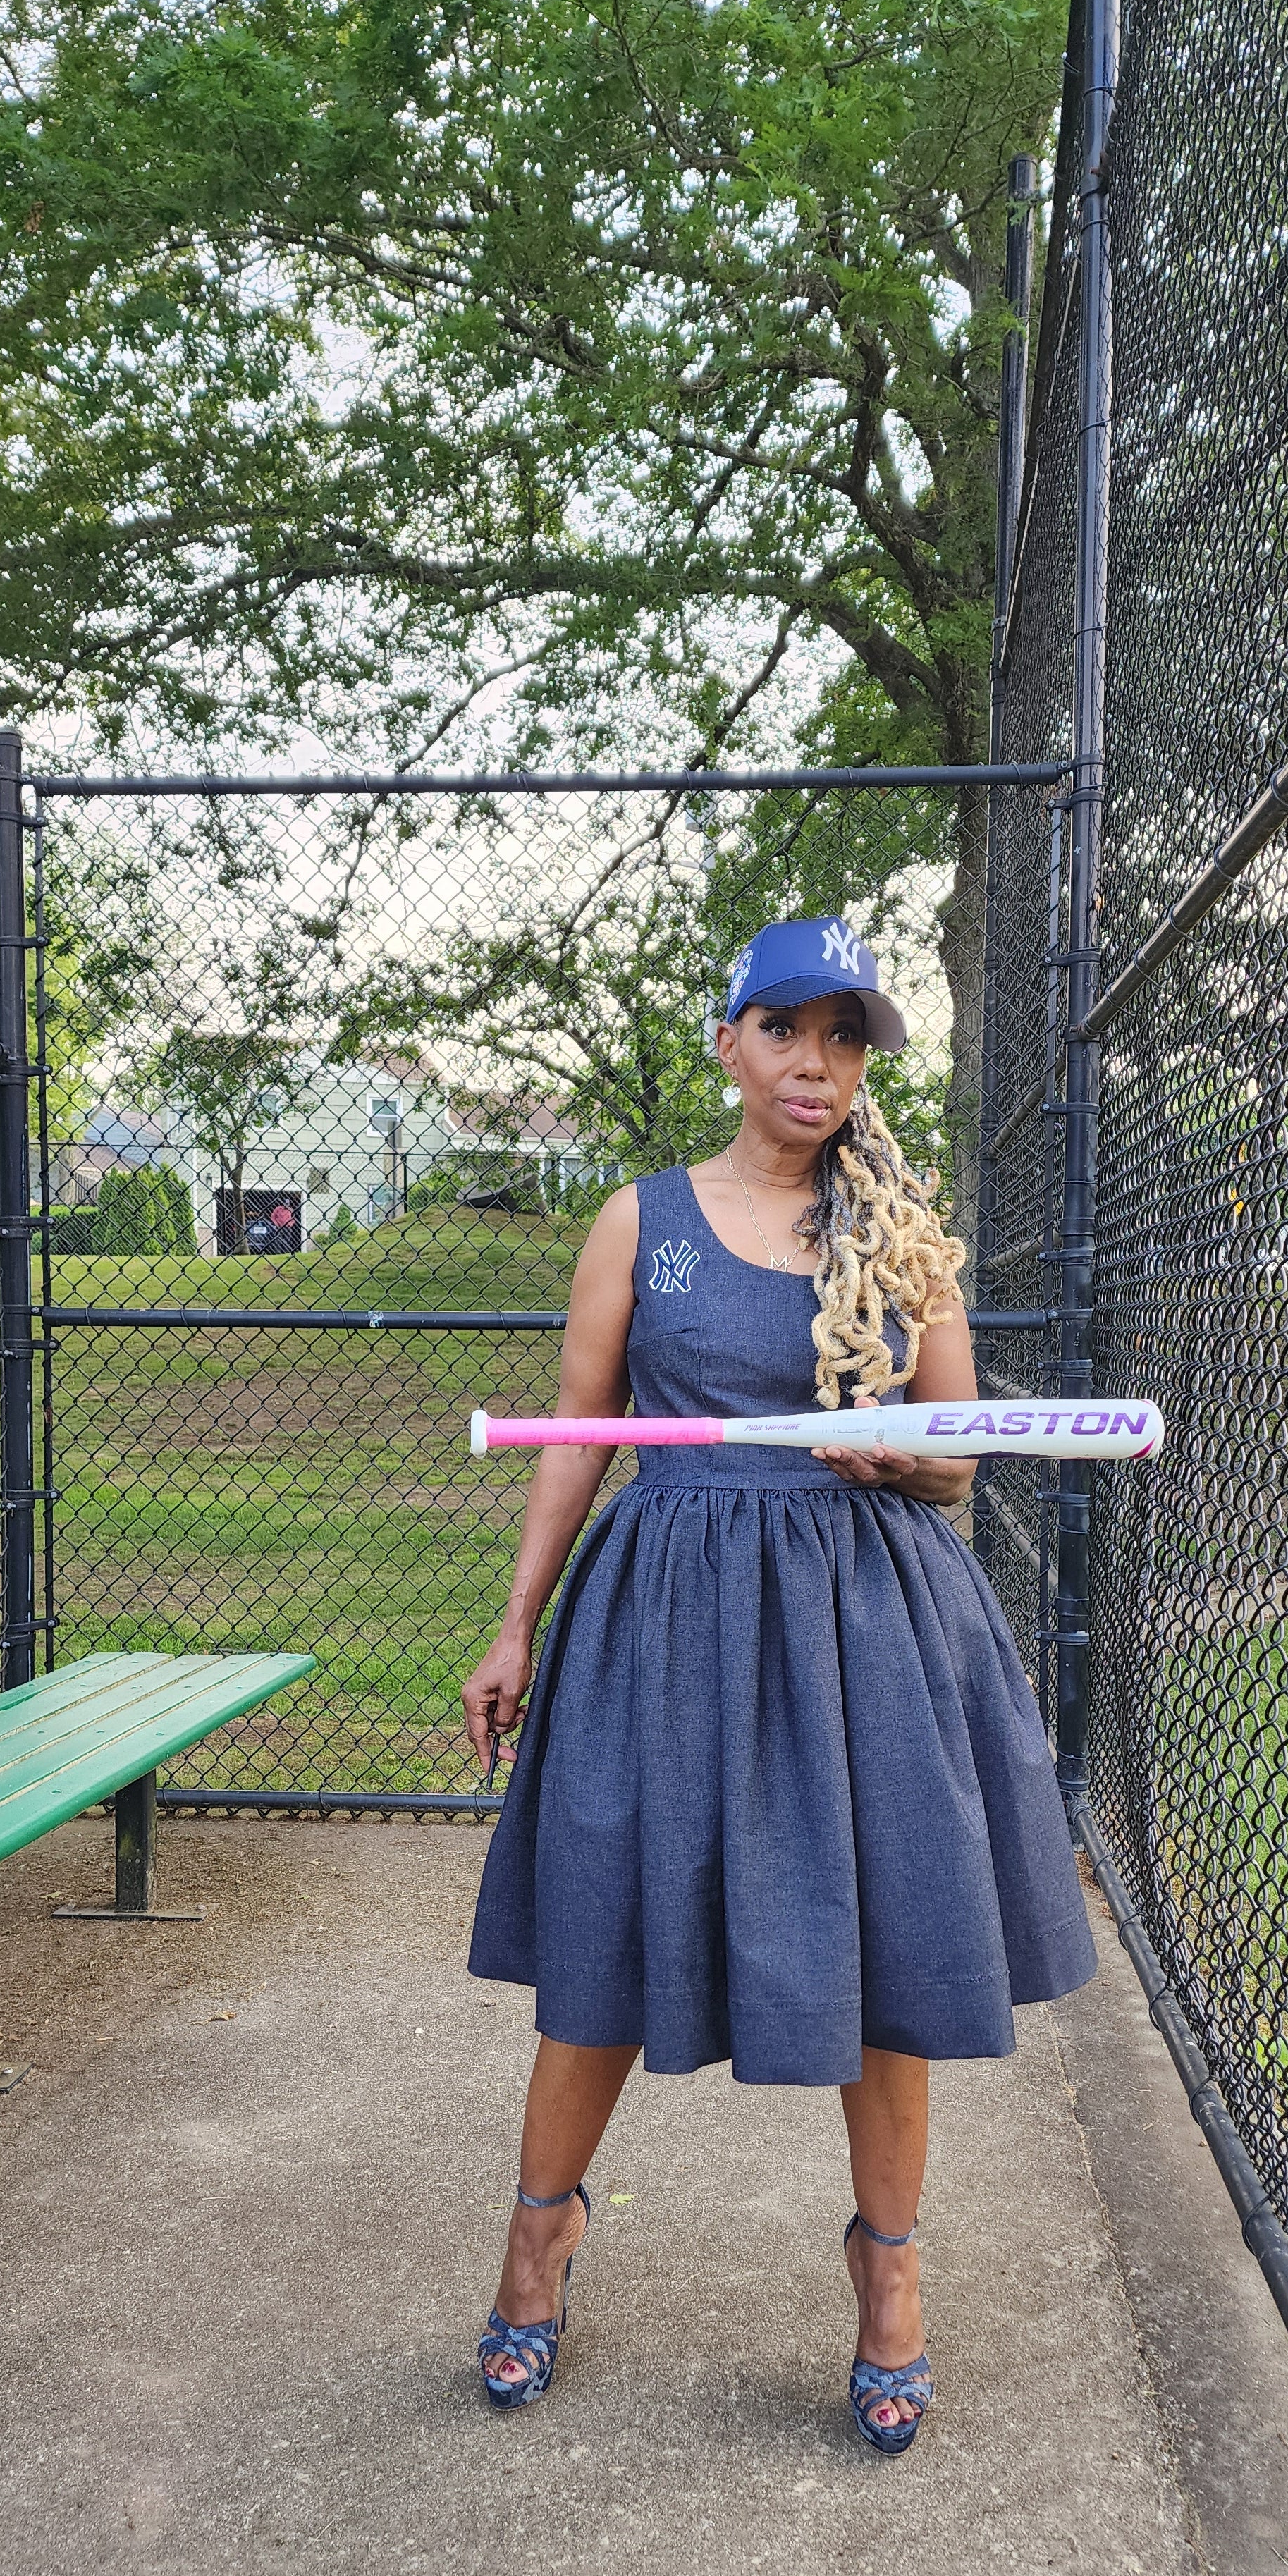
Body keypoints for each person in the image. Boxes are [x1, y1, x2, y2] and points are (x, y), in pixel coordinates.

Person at [460, 916, 1098, 2450]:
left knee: (880, 1953)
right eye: (785, 1031)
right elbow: (580, 1429)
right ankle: (536, 2243)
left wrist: (901, 1453)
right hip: (668, 1615)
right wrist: (515, 1623)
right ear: (729, 1041)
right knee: (608, 1923)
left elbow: (957, 1465)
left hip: (866, 1621)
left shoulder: (901, 1225)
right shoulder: (642, 1222)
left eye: (846, 1037)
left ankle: (890, 2280)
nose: (816, 1065)